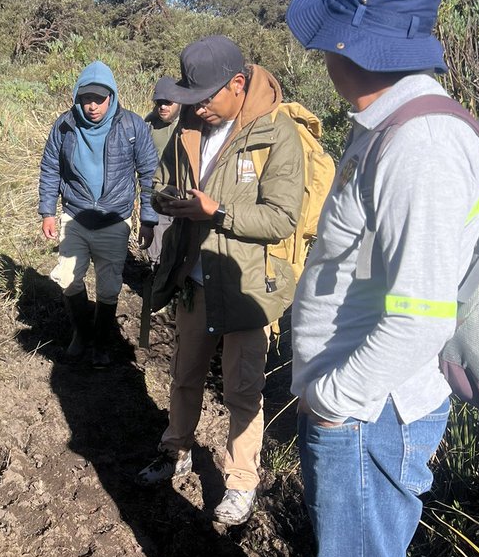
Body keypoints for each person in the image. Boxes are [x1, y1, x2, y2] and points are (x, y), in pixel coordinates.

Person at [281, 0, 479, 557]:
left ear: (359, 45)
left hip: (374, 411)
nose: (319, 51)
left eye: (330, 33)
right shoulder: (396, 131)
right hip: (361, 404)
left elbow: (419, 316)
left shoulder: (423, 149)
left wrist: (335, 399)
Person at [137, 36, 304, 524]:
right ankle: (175, 452)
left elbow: (281, 219)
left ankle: (241, 482)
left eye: (206, 98)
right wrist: (168, 201)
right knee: (184, 377)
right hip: (193, 280)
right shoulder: (190, 126)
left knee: (242, 389)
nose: (199, 109)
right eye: (192, 99)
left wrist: (219, 211)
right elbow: (163, 181)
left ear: (237, 84)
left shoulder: (276, 134)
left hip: (247, 287)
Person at [38, 60, 158, 367]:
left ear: (112, 96)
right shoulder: (64, 125)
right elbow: (51, 168)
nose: (92, 106)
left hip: (114, 218)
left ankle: (102, 340)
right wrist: (47, 211)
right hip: (75, 216)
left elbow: (148, 174)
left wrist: (147, 218)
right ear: (77, 97)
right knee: (67, 278)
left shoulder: (132, 126)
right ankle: (82, 332)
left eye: (99, 99)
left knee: (108, 285)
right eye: (85, 98)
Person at [143, 76, 181, 264]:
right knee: (157, 253)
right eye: (159, 102)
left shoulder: (191, 123)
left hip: (184, 196)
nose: (163, 107)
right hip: (158, 196)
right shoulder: (150, 123)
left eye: (168, 102)